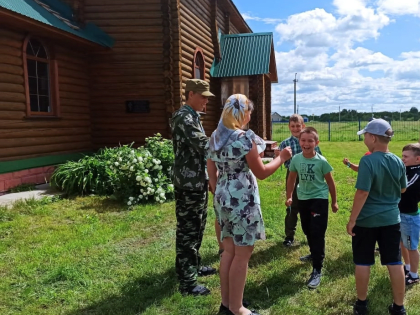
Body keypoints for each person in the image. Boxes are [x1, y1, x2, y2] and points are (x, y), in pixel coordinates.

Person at [207, 94, 292, 315]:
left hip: (222, 197)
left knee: (228, 251)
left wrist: (220, 193)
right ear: (241, 112)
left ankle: (226, 305)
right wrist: (281, 158)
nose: (250, 116)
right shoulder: (244, 138)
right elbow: (262, 173)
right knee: (242, 255)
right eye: (249, 112)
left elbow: (211, 173)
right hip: (242, 200)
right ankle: (238, 309)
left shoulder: (215, 137)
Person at [346, 119, 407, 315]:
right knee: (395, 261)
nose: (364, 138)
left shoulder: (368, 160)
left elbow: (362, 192)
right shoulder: (398, 160)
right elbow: (403, 188)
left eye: (365, 135)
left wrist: (353, 220)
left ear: (372, 138)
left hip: (366, 221)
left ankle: (361, 305)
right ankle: (399, 307)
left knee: (363, 261)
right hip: (391, 220)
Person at [171, 79, 216, 296]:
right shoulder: (184, 117)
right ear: (190, 94)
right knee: (188, 231)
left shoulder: (193, 116)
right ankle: (187, 283)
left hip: (196, 181)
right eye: (203, 96)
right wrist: (234, 142)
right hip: (189, 184)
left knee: (197, 226)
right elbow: (204, 145)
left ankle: (193, 265)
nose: (206, 100)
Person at [285, 127, 338, 289]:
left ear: (316, 143)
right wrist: (289, 196)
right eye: (303, 140)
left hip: (319, 200)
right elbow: (292, 178)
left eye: (310, 141)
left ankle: (317, 268)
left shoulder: (321, 161)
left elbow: (330, 182)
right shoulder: (296, 159)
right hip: (303, 199)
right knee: (307, 229)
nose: (306, 144)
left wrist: (334, 201)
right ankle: (314, 252)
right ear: (299, 142)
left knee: (317, 231)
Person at [279, 114, 322, 247]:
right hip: (293, 176)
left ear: (303, 126)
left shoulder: (310, 141)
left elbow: (319, 159)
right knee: (292, 205)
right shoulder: (285, 144)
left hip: (309, 176)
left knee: (310, 205)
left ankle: (311, 233)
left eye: (298, 126)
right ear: (289, 127)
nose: (296, 128)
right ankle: (289, 236)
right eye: (293, 126)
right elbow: (282, 160)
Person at [399, 143, 420, 285]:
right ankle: (407, 267)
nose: (403, 159)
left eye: (406, 157)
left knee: (411, 247)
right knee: (403, 243)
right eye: (402, 156)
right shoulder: (407, 169)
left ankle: (414, 275)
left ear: (417, 159)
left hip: (410, 217)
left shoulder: (416, 173)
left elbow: (403, 188)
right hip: (402, 214)